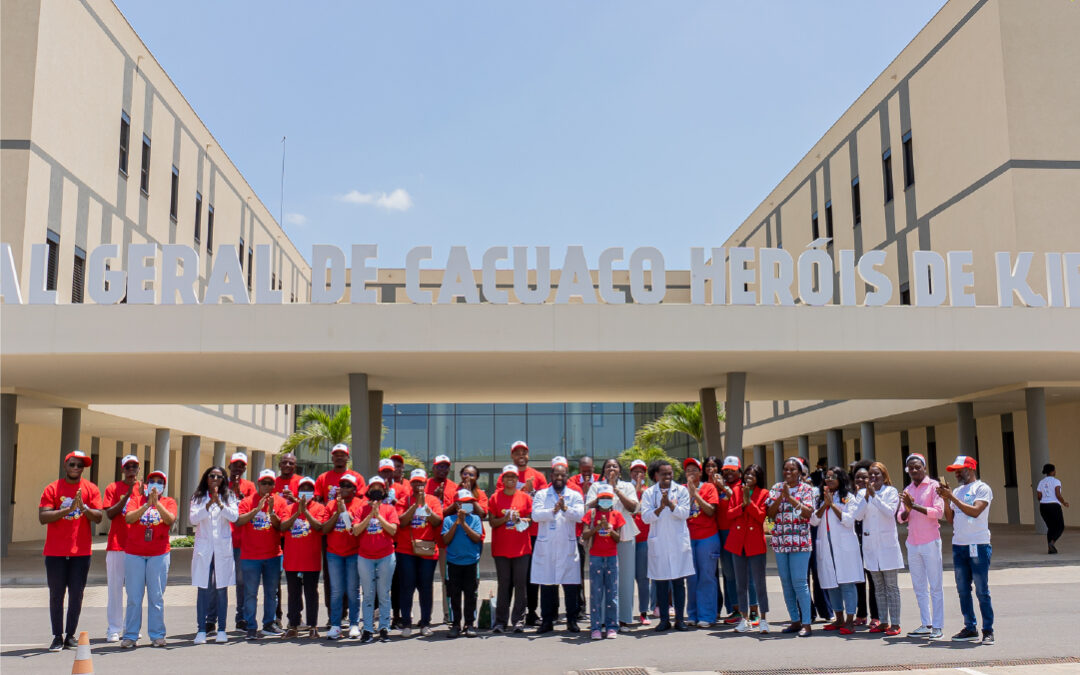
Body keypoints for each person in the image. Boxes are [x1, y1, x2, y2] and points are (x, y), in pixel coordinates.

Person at [38, 450, 103, 651]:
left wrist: (83, 507)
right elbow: (43, 517)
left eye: (80, 465)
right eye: (73, 464)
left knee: (77, 594)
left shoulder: (90, 488)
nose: (76, 468)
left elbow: (98, 517)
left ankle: (70, 635)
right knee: (57, 594)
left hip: (80, 552)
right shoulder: (52, 488)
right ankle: (57, 636)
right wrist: (67, 510)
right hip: (56, 552)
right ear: (65, 466)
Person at [938, 455, 995, 645]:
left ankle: (988, 630)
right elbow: (951, 519)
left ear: (970, 469)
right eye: (954, 470)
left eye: (959, 470)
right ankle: (970, 627)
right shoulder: (958, 490)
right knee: (963, 590)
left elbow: (975, 511)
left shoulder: (982, 488)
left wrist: (951, 496)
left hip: (978, 545)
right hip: (959, 545)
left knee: (981, 590)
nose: (955, 473)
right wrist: (945, 500)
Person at [120, 469, 176, 649]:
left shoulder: (169, 502)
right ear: (146, 484)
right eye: (153, 480)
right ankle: (130, 635)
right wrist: (146, 505)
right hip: (134, 553)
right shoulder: (136, 500)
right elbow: (129, 518)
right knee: (134, 597)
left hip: (159, 554)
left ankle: (158, 635)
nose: (156, 484)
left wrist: (157, 504)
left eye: (160, 481)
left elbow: (170, 520)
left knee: (156, 597)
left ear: (164, 486)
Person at [496, 440, 548, 625]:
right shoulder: (505, 476)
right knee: (510, 579)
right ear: (512, 455)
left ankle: (531, 612)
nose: (521, 455)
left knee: (531, 576)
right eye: (517, 452)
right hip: (510, 536)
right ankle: (507, 616)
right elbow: (500, 500)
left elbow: (543, 503)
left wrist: (531, 491)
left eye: (524, 452)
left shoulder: (538, 476)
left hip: (533, 533)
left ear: (528, 454)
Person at [531, 456, 585, 633]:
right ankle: (547, 621)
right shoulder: (541, 494)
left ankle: (571, 620)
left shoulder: (575, 495)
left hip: (567, 546)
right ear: (551, 475)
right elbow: (535, 515)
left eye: (562, 475)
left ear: (566, 475)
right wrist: (552, 510)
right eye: (556, 475)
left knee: (570, 586)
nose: (559, 478)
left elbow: (580, 515)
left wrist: (565, 509)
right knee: (547, 585)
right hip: (547, 547)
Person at [314, 444, 364, 629]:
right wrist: (334, 509)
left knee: (352, 585)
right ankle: (334, 616)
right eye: (336, 455)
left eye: (343, 455)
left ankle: (351, 619)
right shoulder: (323, 477)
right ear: (332, 457)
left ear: (347, 457)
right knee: (331, 580)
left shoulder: (357, 477)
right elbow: (318, 500)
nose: (339, 458)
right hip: (332, 530)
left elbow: (362, 501)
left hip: (352, 536)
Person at [641, 459, 694, 632]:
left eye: (670, 473)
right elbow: (645, 517)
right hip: (660, 544)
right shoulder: (649, 493)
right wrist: (659, 508)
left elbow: (685, 513)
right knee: (661, 584)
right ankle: (664, 620)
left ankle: (680, 620)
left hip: (678, 544)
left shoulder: (682, 491)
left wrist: (670, 505)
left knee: (679, 583)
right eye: (664, 474)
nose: (668, 477)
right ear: (656, 475)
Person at [585, 458, 639, 630]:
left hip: (624, 534)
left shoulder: (628, 487)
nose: (611, 468)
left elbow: (633, 508)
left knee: (624, 578)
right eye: (608, 466)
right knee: (601, 580)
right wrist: (604, 493)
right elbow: (588, 507)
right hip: (601, 537)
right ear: (603, 470)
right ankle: (601, 620)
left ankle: (622, 618)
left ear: (620, 470)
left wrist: (615, 489)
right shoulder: (595, 486)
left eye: (614, 466)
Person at [809, 466, 863, 634]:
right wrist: (824, 505)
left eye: (833, 477)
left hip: (844, 547)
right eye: (827, 477)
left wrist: (832, 506)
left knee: (847, 583)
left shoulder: (849, 498)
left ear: (841, 479)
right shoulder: (820, 498)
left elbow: (848, 521)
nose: (829, 480)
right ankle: (838, 618)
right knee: (831, 584)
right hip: (826, 546)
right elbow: (813, 521)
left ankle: (849, 620)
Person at [852, 461, 904, 637]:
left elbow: (890, 512)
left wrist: (874, 496)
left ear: (884, 476)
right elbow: (858, 516)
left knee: (891, 587)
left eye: (877, 474)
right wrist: (867, 497)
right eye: (871, 475)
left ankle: (895, 623)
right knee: (878, 587)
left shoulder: (891, 492)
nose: (873, 477)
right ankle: (883, 621)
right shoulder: (861, 494)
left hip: (887, 546)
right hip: (871, 546)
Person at [189, 465, 239, 645]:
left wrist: (219, 503)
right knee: (202, 588)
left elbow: (234, 517)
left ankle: (222, 629)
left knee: (221, 588)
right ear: (206, 478)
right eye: (212, 476)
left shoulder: (230, 496)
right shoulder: (198, 497)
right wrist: (209, 504)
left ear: (224, 479)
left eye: (219, 477)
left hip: (222, 548)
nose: (215, 479)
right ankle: (201, 629)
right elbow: (193, 519)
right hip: (204, 548)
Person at [234, 469, 286, 641]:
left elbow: (281, 527)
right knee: (250, 593)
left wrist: (271, 512)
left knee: (271, 592)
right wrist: (256, 509)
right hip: (250, 556)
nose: (267, 486)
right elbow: (239, 521)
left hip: (273, 555)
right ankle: (250, 626)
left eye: (270, 483)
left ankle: (269, 623)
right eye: (264, 483)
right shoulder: (247, 501)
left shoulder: (280, 502)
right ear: (258, 484)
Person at [766, 457, 815, 637]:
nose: (788, 473)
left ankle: (807, 623)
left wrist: (791, 498)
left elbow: (808, 513)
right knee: (786, 583)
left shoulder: (806, 489)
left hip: (800, 543)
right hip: (780, 541)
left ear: (800, 472)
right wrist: (781, 497)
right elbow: (770, 514)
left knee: (800, 583)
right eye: (785, 469)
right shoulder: (776, 488)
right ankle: (794, 620)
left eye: (792, 470)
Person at [898, 453, 945, 640]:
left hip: (930, 541)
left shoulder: (934, 486)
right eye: (911, 467)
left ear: (924, 468)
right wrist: (908, 509)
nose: (914, 470)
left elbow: (938, 512)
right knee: (919, 586)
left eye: (918, 467)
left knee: (935, 586)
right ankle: (926, 623)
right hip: (913, 543)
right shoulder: (907, 489)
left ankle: (938, 626)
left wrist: (914, 506)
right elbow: (900, 518)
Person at [395, 468, 443, 638]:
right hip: (406, 549)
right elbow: (401, 522)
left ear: (425, 483)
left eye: (421, 482)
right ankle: (406, 623)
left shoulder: (433, 500)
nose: (418, 485)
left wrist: (426, 507)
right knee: (407, 587)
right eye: (415, 482)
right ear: (411, 483)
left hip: (427, 550)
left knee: (425, 587)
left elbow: (437, 522)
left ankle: (425, 623)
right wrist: (415, 505)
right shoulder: (403, 500)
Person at [724, 463, 770, 634]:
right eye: (748, 473)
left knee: (759, 583)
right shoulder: (736, 491)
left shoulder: (764, 493)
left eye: (753, 474)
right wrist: (742, 505)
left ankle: (763, 619)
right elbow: (729, 514)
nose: (749, 476)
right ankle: (744, 619)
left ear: (758, 477)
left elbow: (760, 516)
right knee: (740, 583)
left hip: (754, 542)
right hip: (738, 542)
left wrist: (748, 502)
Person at [278, 476, 326, 639]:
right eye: (303, 488)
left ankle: (313, 625)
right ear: (297, 492)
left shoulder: (319, 508)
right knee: (293, 594)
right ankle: (293, 625)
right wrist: (297, 512)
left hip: (311, 559)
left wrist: (305, 512)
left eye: (309, 488)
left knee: (311, 593)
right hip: (292, 559)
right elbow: (282, 527)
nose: (306, 491)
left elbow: (319, 526)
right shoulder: (288, 507)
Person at [488, 464, 533, 633]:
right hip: (501, 549)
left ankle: (518, 621)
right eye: (507, 477)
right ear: (503, 479)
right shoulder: (495, 498)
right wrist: (505, 518)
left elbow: (530, 519)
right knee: (504, 585)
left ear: (517, 479)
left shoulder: (525, 497)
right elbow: (492, 522)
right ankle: (500, 621)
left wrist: (519, 519)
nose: (510, 480)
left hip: (521, 549)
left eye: (513, 477)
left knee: (520, 585)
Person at [356, 475, 400, 643]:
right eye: (373, 488)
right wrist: (370, 514)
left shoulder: (389, 509)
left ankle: (384, 627)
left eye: (379, 488)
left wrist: (378, 514)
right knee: (368, 594)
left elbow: (393, 530)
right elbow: (356, 530)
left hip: (385, 556)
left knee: (383, 594)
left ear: (384, 491)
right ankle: (367, 628)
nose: (376, 491)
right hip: (366, 557)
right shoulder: (361, 509)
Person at [714, 455, 757, 625]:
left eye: (732, 471)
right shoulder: (718, 486)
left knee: (747, 575)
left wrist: (723, 487)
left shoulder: (743, 486)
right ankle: (737, 609)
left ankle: (753, 610)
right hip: (722, 533)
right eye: (726, 471)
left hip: (740, 532)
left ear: (739, 471)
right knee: (729, 574)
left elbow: (738, 501)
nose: (729, 474)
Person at [102, 454, 140, 643]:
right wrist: (127, 495)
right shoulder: (113, 488)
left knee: (135, 590)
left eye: (134, 466)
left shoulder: (145, 489)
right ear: (123, 470)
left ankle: (130, 627)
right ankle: (114, 628)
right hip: (117, 545)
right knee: (115, 589)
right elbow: (109, 513)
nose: (131, 470)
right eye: (128, 467)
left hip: (138, 547)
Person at [581, 485, 626, 639]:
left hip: (612, 557)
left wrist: (609, 528)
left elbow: (618, 538)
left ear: (612, 499)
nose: (605, 501)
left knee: (612, 593)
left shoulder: (617, 515)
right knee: (595, 593)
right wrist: (597, 527)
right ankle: (595, 627)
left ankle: (612, 626)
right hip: (596, 557)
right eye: (602, 498)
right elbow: (585, 534)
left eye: (608, 498)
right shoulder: (591, 514)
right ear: (598, 499)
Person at [682, 457, 720, 627]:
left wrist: (696, 493)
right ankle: (693, 614)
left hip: (707, 537)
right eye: (688, 470)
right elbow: (682, 513)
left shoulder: (709, 487)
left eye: (694, 470)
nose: (691, 473)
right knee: (691, 577)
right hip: (689, 538)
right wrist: (689, 494)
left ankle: (708, 615)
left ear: (700, 472)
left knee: (706, 576)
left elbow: (711, 511)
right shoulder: (682, 490)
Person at [442, 489, 484, 638]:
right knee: (454, 594)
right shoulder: (448, 520)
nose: (467, 505)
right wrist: (457, 523)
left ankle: (470, 623)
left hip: (471, 562)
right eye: (464, 502)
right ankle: (455, 624)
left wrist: (464, 523)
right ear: (457, 504)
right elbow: (446, 540)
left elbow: (476, 538)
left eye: (469, 502)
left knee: (470, 594)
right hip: (453, 563)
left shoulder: (475, 519)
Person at [224, 452, 256, 631]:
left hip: (241, 540)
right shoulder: (221, 483)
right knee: (219, 580)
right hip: (224, 539)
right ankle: (214, 618)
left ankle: (241, 617)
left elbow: (251, 508)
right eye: (235, 465)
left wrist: (238, 492)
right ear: (229, 466)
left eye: (242, 465)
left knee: (242, 581)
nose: (238, 468)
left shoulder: (250, 486)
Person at [849, 462, 879, 628]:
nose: (861, 480)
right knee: (859, 581)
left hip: (869, 542)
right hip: (854, 544)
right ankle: (861, 614)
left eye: (864, 477)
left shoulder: (872, 495)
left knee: (873, 581)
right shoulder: (849, 496)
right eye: (858, 477)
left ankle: (876, 615)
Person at [629, 459, 653, 625]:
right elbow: (631, 508)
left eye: (641, 471)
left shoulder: (649, 491)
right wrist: (636, 489)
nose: (638, 474)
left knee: (643, 578)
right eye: (635, 471)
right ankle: (626, 612)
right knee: (627, 578)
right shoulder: (626, 489)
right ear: (630, 473)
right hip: (628, 539)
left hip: (643, 539)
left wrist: (640, 490)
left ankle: (644, 611)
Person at [1037, 464, 1069, 554]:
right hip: (1054, 506)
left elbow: (1039, 496)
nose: (1055, 472)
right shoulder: (1056, 481)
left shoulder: (1041, 482)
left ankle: (1050, 549)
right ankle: (1052, 543)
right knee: (1060, 526)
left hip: (1043, 506)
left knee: (1050, 527)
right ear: (1052, 471)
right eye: (1054, 470)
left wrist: (1045, 500)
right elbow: (1058, 494)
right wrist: (1064, 502)